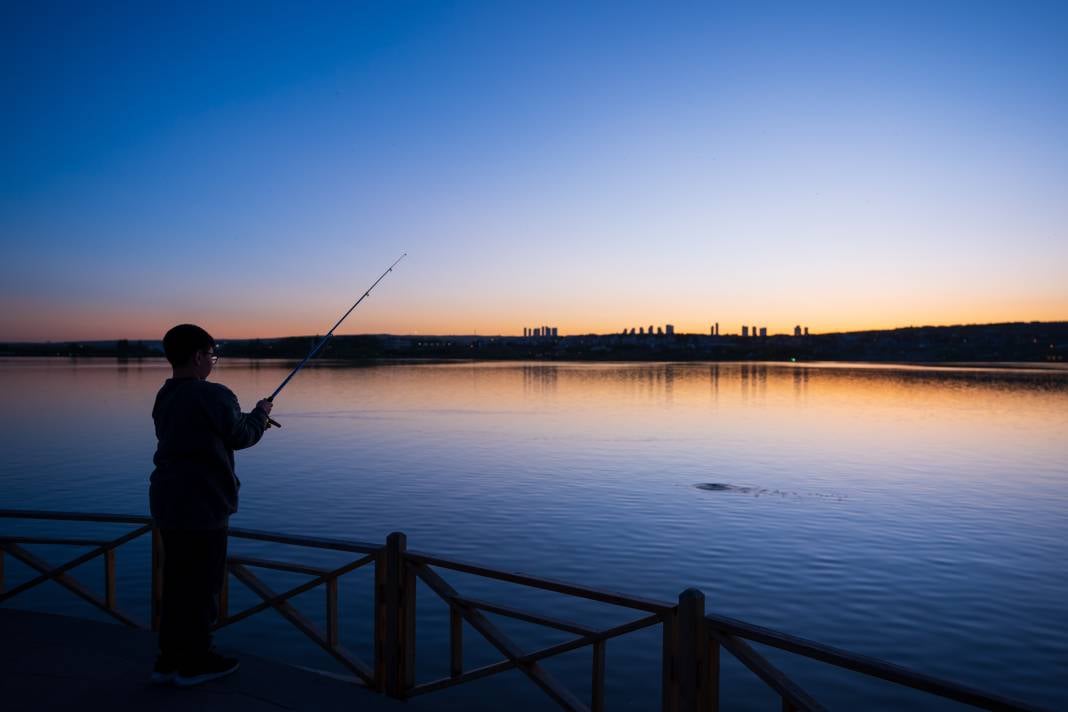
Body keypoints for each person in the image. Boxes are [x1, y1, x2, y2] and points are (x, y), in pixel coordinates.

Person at [149, 324, 273, 686]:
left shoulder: (165, 395)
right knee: (202, 586)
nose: (213, 362)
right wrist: (261, 413)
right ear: (199, 356)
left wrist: (251, 417)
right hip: (203, 503)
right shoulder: (213, 395)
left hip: (167, 501)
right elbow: (242, 435)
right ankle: (195, 662)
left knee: (177, 583)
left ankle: (168, 660)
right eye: (212, 355)